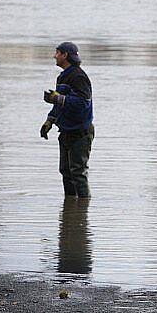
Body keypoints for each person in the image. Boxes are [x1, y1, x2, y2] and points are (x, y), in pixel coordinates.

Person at [40, 42, 94, 198]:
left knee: (78, 172)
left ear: (65, 55)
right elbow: (60, 104)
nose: (54, 56)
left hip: (80, 132)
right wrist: (49, 121)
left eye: (57, 53)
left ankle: (83, 207)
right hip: (66, 130)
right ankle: (71, 211)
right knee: (65, 171)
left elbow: (83, 103)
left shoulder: (78, 76)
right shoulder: (63, 77)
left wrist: (59, 98)